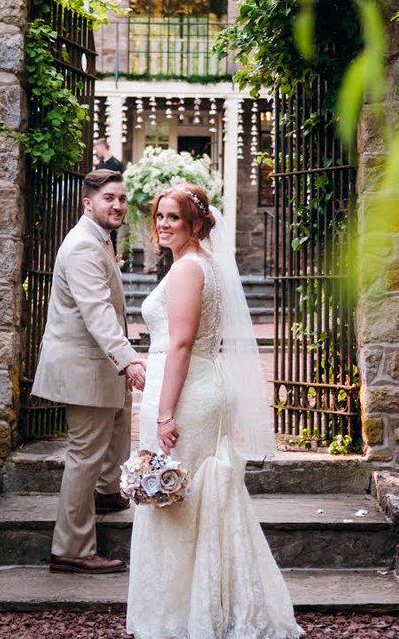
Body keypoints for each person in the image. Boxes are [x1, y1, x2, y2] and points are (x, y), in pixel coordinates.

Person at [126, 183, 302, 639]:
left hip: (186, 393)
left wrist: (165, 414)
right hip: (199, 382)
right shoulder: (205, 264)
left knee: (180, 498)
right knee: (197, 495)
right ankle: (210, 606)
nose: (163, 225)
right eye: (159, 216)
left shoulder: (188, 270)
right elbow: (182, 340)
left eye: (174, 218)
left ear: (196, 223)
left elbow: (183, 343)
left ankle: (181, 616)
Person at [31, 168, 146, 575]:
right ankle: (72, 547)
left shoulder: (99, 239)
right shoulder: (83, 246)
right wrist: (128, 358)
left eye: (121, 198)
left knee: (116, 431)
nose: (117, 205)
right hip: (85, 368)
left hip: (99, 365)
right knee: (83, 455)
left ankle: (107, 493)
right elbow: (96, 312)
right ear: (88, 203)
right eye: (108, 199)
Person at [92, 138, 125, 260]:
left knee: (112, 230)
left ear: (103, 147)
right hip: (101, 199)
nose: (96, 151)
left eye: (96, 148)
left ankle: (113, 257)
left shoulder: (116, 164)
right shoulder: (99, 165)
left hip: (112, 199)